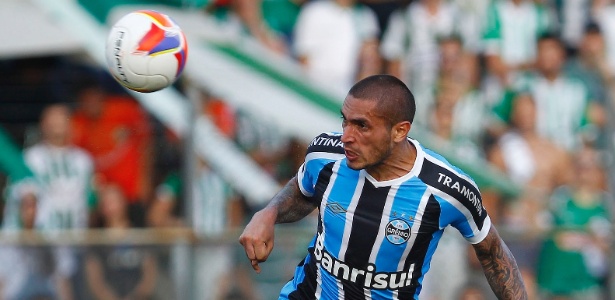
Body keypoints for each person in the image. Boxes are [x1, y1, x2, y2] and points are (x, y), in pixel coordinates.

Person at [239, 75, 527, 299]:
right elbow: (303, 189)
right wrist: (269, 213)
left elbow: (492, 251)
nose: (347, 136)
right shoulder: (325, 155)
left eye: (362, 126)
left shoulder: (447, 189)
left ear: (400, 130)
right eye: (345, 121)